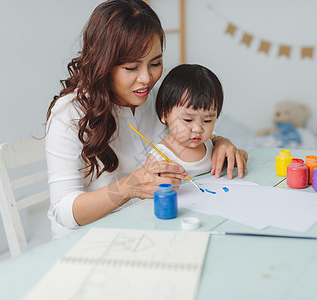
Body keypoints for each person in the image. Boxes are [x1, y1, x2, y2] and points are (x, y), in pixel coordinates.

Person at [45, 0, 248, 238]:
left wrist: (220, 142)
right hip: (89, 240)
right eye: (131, 67)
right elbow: (63, 211)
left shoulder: (151, 97)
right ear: (104, 64)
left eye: (156, 63)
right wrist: (128, 187)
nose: (146, 78)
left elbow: (183, 135)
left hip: (144, 228)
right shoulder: (69, 113)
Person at [148, 64, 223, 178]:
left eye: (207, 120)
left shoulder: (212, 146)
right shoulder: (159, 157)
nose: (198, 129)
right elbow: (149, 189)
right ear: (164, 115)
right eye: (188, 120)